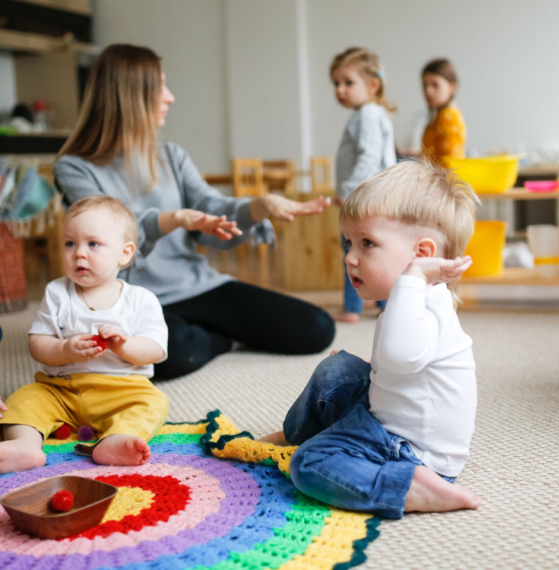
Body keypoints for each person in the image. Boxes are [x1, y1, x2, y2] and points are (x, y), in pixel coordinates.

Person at [53, 44, 335, 381]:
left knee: (316, 328)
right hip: (130, 297)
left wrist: (259, 206)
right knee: (169, 358)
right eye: (160, 87)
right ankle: (219, 337)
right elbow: (111, 234)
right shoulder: (74, 168)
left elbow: (211, 210)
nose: (169, 97)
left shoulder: (171, 156)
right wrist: (172, 219)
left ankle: (207, 330)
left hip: (195, 285)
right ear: (129, 96)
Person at [262, 160, 481, 519]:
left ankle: (408, 486)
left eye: (367, 243)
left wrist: (411, 279)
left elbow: (397, 357)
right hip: (396, 417)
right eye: (349, 243)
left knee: (309, 464)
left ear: (421, 256)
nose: (350, 258)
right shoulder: (417, 298)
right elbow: (397, 369)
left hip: (411, 450)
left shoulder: (424, 302)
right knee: (338, 371)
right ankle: (294, 432)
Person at [0, 196, 169, 474]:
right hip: (62, 388)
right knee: (22, 398)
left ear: (124, 253)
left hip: (121, 389)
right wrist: (64, 350)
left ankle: (114, 440)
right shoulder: (57, 292)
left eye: (93, 244)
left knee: (153, 402)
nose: (79, 253)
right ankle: (24, 445)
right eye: (70, 243)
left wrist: (125, 346)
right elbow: (37, 344)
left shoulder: (141, 299)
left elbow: (156, 349)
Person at [330, 47, 397, 323]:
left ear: (372, 85)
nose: (340, 89)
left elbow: (369, 155)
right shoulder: (370, 112)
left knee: (354, 249)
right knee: (373, 247)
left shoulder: (367, 114)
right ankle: (382, 301)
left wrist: (348, 191)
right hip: (376, 195)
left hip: (366, 195)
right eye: (336, 83)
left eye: (348, 82)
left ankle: (351, 307)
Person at [421, 58, 466, 166]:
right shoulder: (439, 116)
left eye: (435, 85)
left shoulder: (448, 117)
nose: (428, 91)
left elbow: (449, 164)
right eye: (425, 85)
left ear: (452, 87)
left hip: (442, 182)